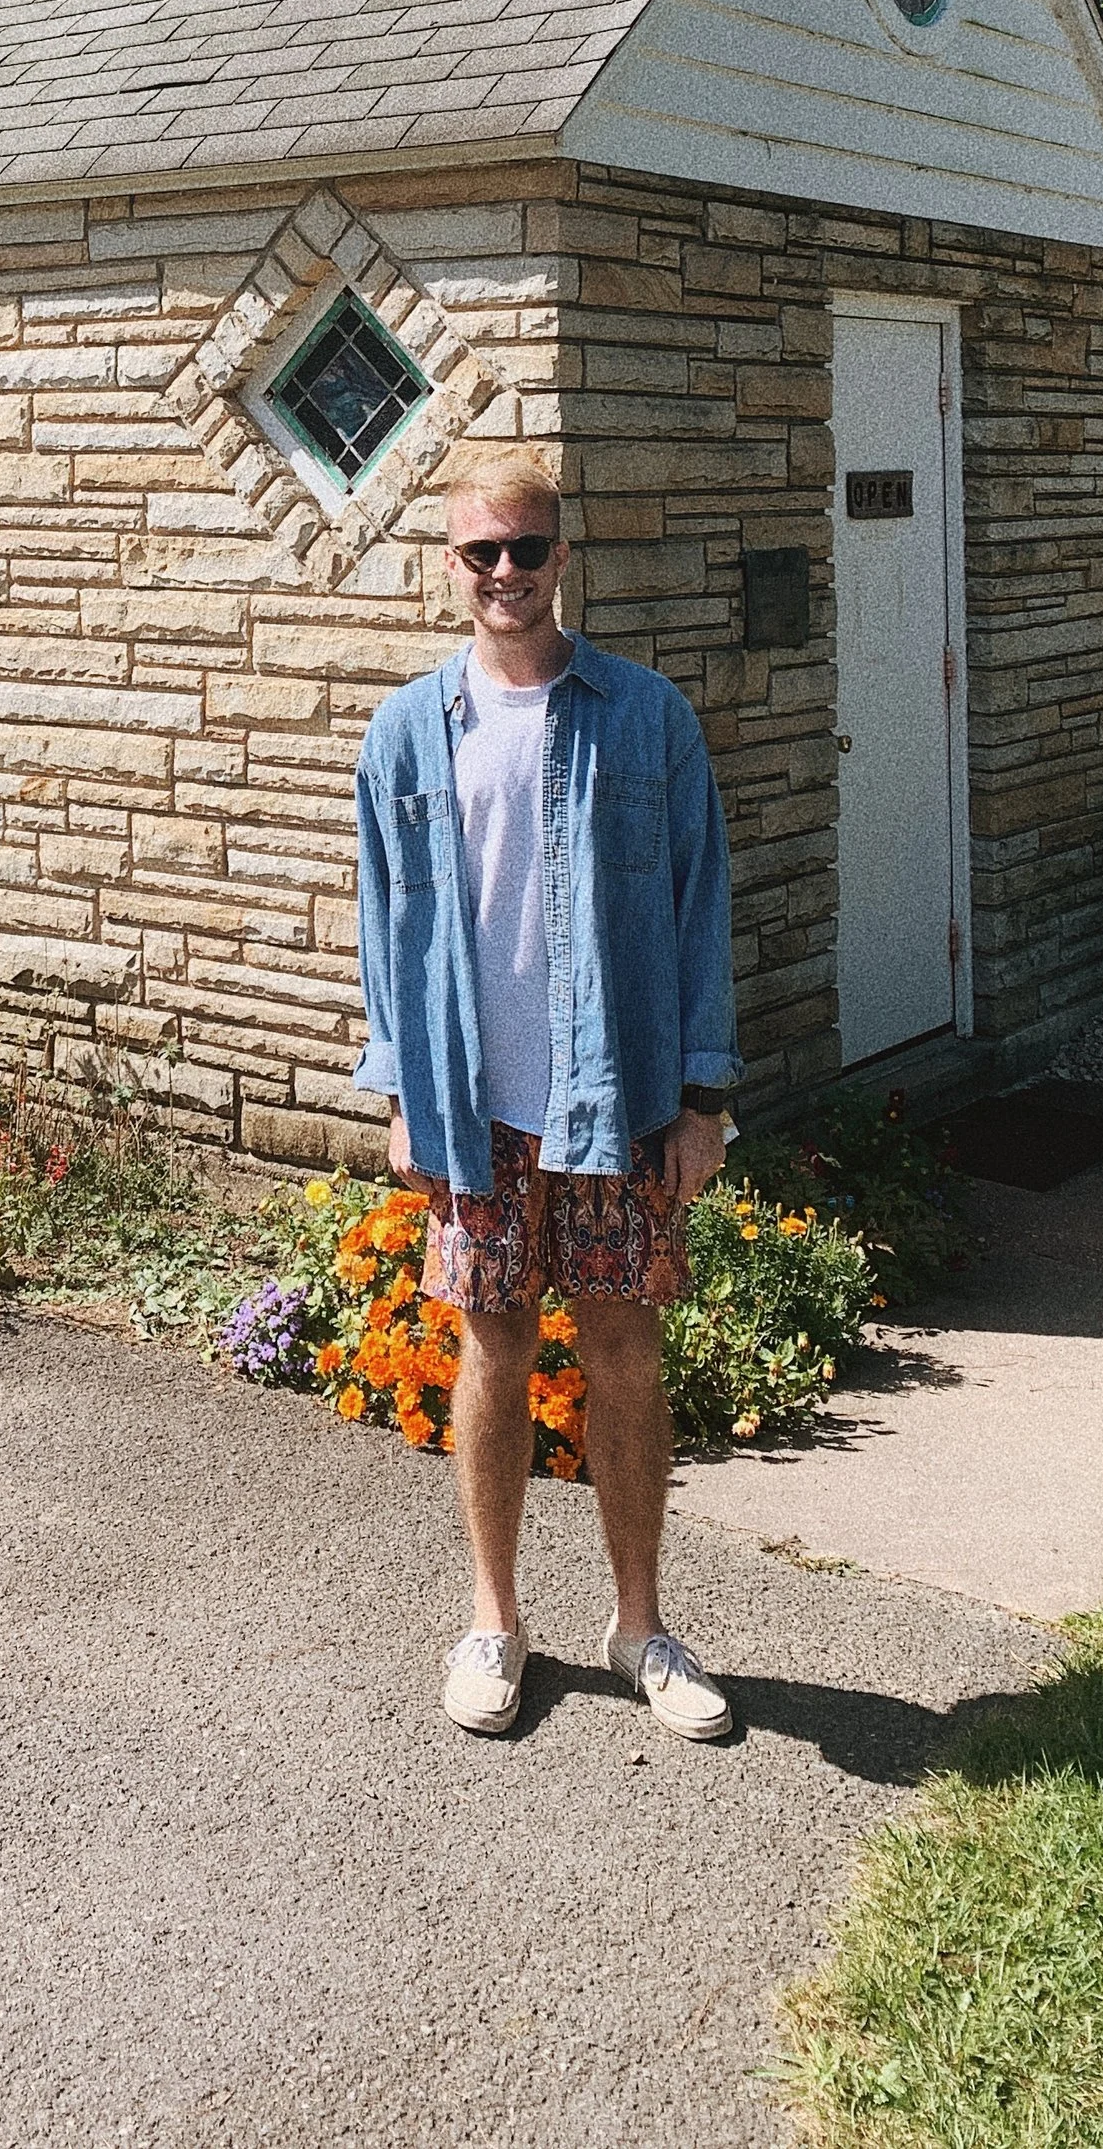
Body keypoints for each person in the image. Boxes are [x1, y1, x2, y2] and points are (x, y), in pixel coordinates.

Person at [353, 448, 741, 1739]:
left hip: (619, 1098)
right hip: (476, 1108)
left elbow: (699, 911)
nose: (506, 573)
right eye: (482, 553)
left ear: (564, 558)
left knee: (625, 1351)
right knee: (494, 1347)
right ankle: (495, 1623)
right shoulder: (408, 730)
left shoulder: (646, 719)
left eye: (528, 549)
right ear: (451, 566)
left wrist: (704, 1099)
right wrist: (400, 1088)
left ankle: (641, 1631)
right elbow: (381, 926)